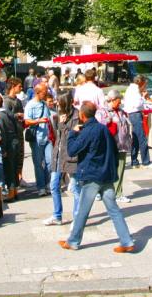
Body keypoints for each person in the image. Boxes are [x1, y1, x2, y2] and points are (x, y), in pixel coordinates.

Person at [58, 102, 135, 253]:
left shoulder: (87, 131)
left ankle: (73, 241)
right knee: (114, 209)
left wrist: (72, 133)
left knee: (82, 210)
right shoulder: (103, 129)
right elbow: (113, 149)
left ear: (82, 115)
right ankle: (126, 241)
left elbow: (72, 150)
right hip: (106, 175)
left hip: (92, 175)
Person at [44, 92, 77, 226]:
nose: (57, 104)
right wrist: (60, 124)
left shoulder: (77, 116)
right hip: (58, 154)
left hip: (71, 156)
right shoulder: (58, 115)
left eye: (60, 103)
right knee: (54, 185)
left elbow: (72, 135)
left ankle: (77, 218)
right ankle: (57, 215)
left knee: (75, 188)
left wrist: (63, 125)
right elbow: (58, 134)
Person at [103, 88, 133, 203]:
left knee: (120, 169)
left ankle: (118, 193)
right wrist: (108, 121)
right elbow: (100, 126)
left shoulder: (121, 111)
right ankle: (107, 192)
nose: (120, 103)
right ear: (112, 99)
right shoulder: (103, 112)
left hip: (122, 145)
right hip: (110, 145)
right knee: (109, 169)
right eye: (118, 101)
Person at [24, 83, 53, 196]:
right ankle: (41, 186)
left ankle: (48, 183)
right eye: (44, 93)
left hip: (47, 137)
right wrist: (38, 121)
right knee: (38, 163)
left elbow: (49, 118)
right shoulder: (30, 105)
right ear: (37, 92)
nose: (46, 95)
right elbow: (27, 121)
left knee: (50, 161)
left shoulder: (44, 104)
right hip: (36, 138)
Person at [123, 75, 152, 169]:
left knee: (136, 139)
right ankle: (146, 162)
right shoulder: (135, 90)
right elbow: (138, 104)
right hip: (135, 114)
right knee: (142, 138)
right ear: (141, 83)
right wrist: (143, 97)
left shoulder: (131, 88)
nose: (145, 86)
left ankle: (134, 161)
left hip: (131, 114)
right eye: (145, 84)